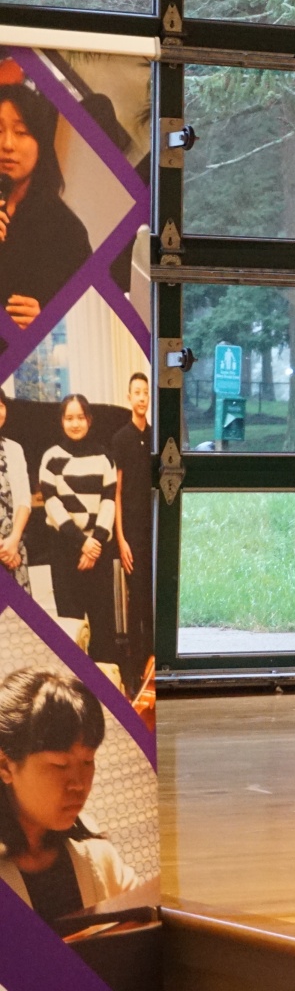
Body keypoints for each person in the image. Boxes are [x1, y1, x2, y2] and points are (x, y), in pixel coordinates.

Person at [0, 667, 144, 923]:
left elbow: (146, 918)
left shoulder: (95, 856)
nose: (79, 784)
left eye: (88, 761)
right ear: (5, 766)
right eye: (60, 765)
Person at [0, 85, 93, 330]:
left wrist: (49, 323)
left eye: (21, 132)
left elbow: (86, 320)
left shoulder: (67, 230)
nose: (7, 144)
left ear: (40, 142)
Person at [38, 396, 119, 667]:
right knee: (70, 624)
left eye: (80, 418)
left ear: (89, 420)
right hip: (65, 551)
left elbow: (109, 503)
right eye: (69, 418)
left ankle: (107, 682)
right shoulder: (51, 457)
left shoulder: (105, 457)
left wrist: (94, 543)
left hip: (98, 550)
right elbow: (52, 504)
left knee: (103, 624)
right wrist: (82, 543)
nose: (75, 424)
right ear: (62, 421)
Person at [108, 374, 153, 693]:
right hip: (131, 534)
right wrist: (121, 539)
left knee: (151, 602)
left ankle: (153, 664)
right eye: (136, 392)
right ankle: (136, 672)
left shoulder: (154, 436)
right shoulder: (121, 438)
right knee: (135, 602)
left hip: (152, 530)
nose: (141, 397)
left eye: (145, 393)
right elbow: (117, 492)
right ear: (129, 397)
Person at [0, 389, 30, 595]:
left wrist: (13, 542)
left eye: (1, 406)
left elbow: (24, 500)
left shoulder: (15, 449)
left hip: (14, 548)